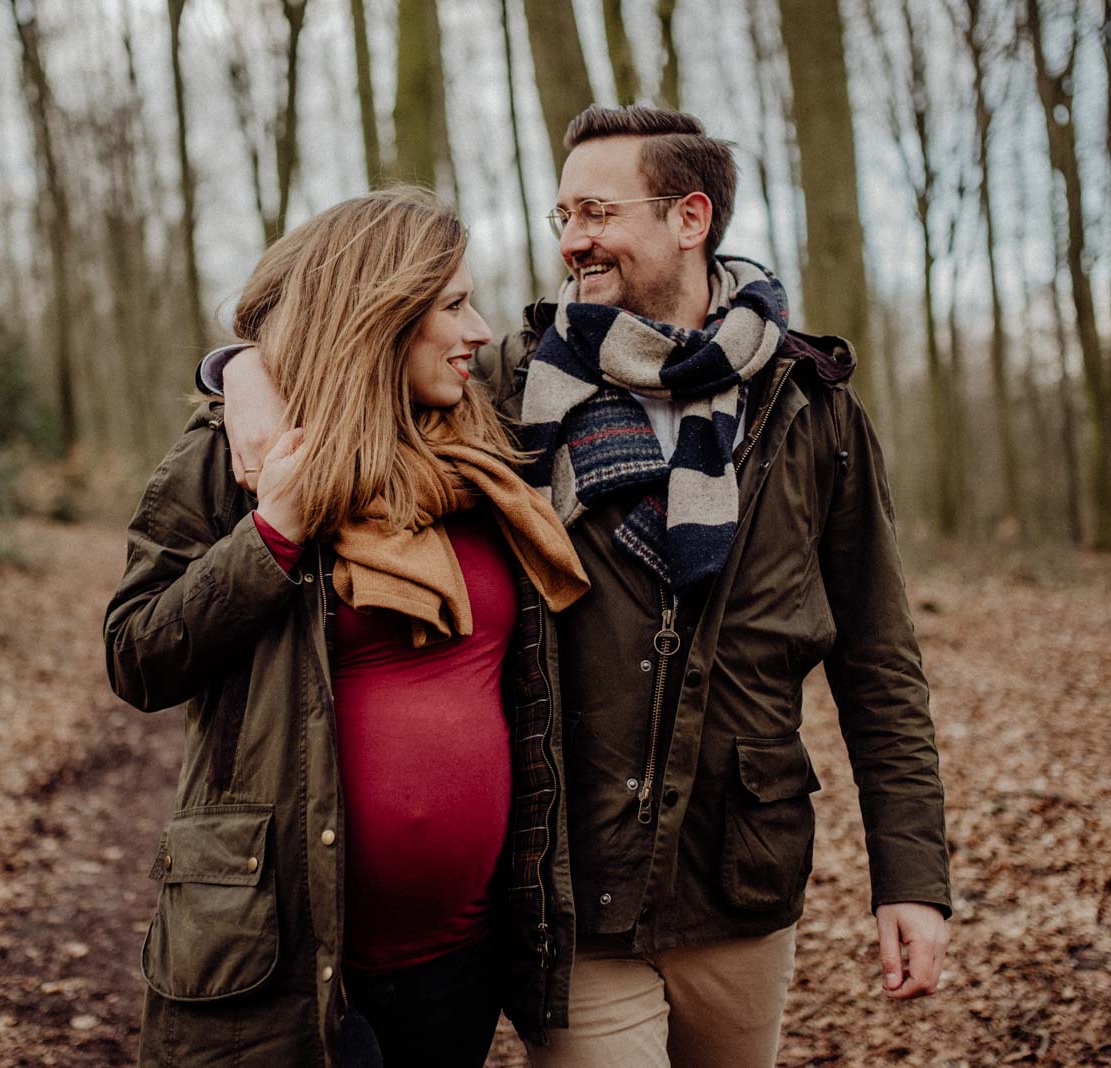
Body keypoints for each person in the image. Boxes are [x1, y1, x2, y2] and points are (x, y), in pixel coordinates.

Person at [209, 106, 951, 1067]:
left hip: (742, 877)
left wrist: (913, 878)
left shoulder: (809, 407)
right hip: (574, 881)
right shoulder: (512, 384)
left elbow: (880, 661)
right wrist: (240, 374)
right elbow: (354, 360)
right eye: (562, 213)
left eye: (596, 212)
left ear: (690, 218)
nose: (570, 241)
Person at [104, 187, 589, 1068]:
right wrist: (272, 535)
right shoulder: (237, 461)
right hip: (278, 958)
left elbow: (625, 335)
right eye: (451, 306)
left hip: (463, 961)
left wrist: (237, 362)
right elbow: (137, 656)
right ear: (378, 315)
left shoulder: (485, 450)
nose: (478, 330)